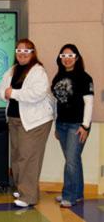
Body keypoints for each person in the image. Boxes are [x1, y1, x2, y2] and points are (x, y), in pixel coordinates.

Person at [0, 38, 54, 207]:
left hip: (35, 121)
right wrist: (5, 93)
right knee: (16, 156)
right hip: (15, 119)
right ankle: (21, 188)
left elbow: (37, 93)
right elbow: (1, 91)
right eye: (19, 51)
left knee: (28, 157)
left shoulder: (38, 71)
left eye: (26, 51)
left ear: (32, 53)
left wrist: (12, 93)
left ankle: (28, 196)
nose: (22, 54)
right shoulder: (12, 70)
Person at [51, 44, 94, 208]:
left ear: (76, 57)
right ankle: (77, 193)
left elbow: (89, 103)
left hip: (77, 125)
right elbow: (56, 103)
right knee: (74, 160)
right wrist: (56, 124)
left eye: (70, 55)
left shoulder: (85, 77)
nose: (67, 58)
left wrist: (85, 126)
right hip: (62, 124)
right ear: (60, 58)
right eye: (63, 55)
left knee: (71, 161)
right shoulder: (57, 77)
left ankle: (69, 195)